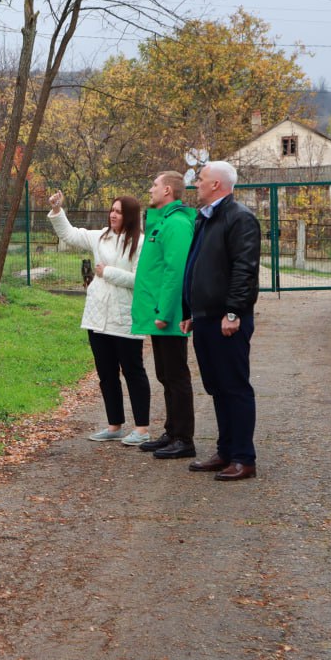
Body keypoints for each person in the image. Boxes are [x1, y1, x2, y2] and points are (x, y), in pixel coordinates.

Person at [179, 160, 261, 481]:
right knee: (217, 388)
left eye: (200, 179)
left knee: (234, 387)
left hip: (227, 320)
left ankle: (243, 458)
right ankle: (225, 451)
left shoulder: (239, 218)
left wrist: (233, 312)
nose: (196, 184)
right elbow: (197, 265)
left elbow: (245, 270)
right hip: (205, 318)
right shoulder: (206, 218)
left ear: (216, 185)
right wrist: (190, 311)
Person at [48, 190, 150, 445]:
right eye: (112, 210)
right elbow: (70, 235)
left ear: (130, 216)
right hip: (97, 317)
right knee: (106, 373)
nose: (113, 215)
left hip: (124, 317)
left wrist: (108, 273)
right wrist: (58, 210)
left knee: (133, 371)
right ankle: (114, 425)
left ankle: (141, 428)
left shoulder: (140, 243)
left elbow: (140, 281)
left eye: (119, 211)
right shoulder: (100, 237)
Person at [131, 172, 197, 459]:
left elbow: (175, 271)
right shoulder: (164, 222)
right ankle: (172, 432)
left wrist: (165, 312)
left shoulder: (179, 224)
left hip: (167, 316)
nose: (150, 188)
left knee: (176, 375)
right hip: (158, 314)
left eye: (154, 184)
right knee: (165, 375)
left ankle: (184, 438)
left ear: (168, 190)